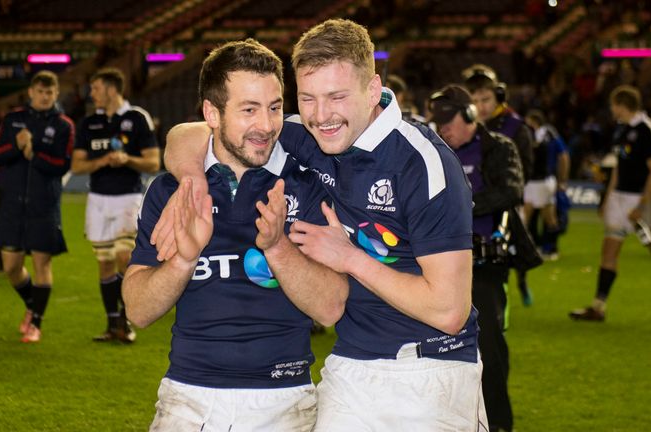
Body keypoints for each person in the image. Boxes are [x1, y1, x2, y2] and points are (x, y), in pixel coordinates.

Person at [156, 20, 487, 431]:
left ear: (372, 90)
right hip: (348, 366)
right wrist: (191, 179)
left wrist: (350, 258)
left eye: (336, 96)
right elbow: (191, 133)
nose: (320, 115)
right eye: (307, 98)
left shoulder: (423, 162)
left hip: (430, 370)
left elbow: (449, 310)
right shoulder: (308, 134)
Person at [122, 39, 347, 431]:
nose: (266, 125)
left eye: (275, 108)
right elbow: (138, 311)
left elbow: (330, 308)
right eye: (248, 110)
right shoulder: (171, 192)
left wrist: (277, 247)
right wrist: (184, 259)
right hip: (188, 400)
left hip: (285, 400)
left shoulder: (306, 185)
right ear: (211, 112)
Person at [430, 84, 524, 432]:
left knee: (490, 346)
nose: (443, 128)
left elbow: (511, 190)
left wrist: (462, 209)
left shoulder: (497, 148)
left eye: (449, 120)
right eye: (437, 121)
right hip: (441, 261)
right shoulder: (434, 150)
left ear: (470, 115)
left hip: (485, 263)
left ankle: (498, 423)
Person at [570, 85, 651, 322]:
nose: (611, 109)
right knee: (609, 250)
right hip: (620, 198)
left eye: (613, 105)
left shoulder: (647, 129)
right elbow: (619, 168)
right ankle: (598, 307)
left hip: (643, 199)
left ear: (621, 104)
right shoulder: (621, 131)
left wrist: (643, 204)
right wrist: (608, 199)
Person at [71, 67, 160, 343]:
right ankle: (112, 324)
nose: (92, 93)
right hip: (97, 200)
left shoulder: (137, 118)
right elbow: (77, 164)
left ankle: (126, 319)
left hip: (128, 197)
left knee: (124, 258)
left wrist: (127, 160)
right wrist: (102, 161)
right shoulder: (89, 123)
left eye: (96, 88)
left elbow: (154, 162)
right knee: (105, 263)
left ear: (111, 89)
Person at [0, 70, 75, 342]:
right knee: (11, 266)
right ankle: (31, 304)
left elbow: (63, 165)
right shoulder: (13, 119)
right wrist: (17, 145)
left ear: (56, 94)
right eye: (40, 91)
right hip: (13, 203)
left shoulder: (64, 125)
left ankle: (36, 322)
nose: (44, 96)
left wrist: (34, 154)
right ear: (31, 92)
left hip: (44, 204)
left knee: (41, 263)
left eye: (49, 92)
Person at [464, 63, 536, 306]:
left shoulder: (516, 128)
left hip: (501, 210)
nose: (481, 106)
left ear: (499, 96)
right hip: (471, 211)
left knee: (498, 268)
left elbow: (521, 175)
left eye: (486, 99)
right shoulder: (461, 129)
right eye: (474, 100)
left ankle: (514, 290)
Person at [523, 109, 570, 260]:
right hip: (541, 181)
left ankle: (536, 249)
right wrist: (562, 179)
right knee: (546, 217)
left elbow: (563, 156)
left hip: (539, 181)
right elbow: (564, 156)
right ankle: (547, 248)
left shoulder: (543, 134)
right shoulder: (550, 133)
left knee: (529, 217)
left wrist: (562, 179)